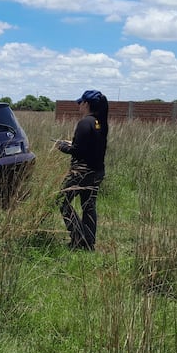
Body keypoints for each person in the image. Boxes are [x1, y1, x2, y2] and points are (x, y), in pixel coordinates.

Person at [55, 89, 109, 251]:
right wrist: (74, 145)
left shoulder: (85, 123)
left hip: (82, 172)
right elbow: (90, 147)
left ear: (87, 104)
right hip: (97, 171)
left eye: (81, 103)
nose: (79, 106)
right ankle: (88, 242)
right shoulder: (100, 122)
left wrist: (62, 146)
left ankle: (78, 238)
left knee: (61, 200)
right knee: (89, 206)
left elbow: (78, 151)